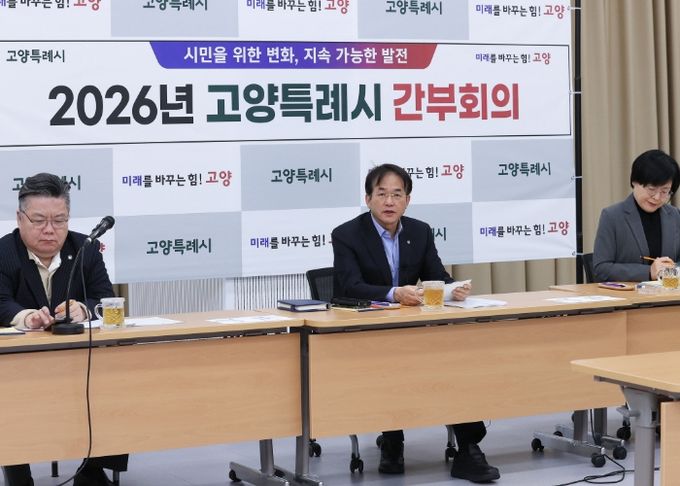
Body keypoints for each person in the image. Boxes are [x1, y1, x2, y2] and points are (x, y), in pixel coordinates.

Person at [331, 164, 500, 483]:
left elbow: (437, 275)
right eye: (382, 194)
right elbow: (349, 287)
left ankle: (468, 450)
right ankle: (392, 439)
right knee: (393, 364)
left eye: (397, 195)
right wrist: (394, 293)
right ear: (368, 199)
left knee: (456, 361)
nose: (389, 202)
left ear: (407, 200)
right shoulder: (347, 234)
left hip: (415, 329)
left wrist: (454, 288)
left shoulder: (419, 231)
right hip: (368, 332)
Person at [0, 173, 127, 486]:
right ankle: (18, 474)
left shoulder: (85, 248)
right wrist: (26, 317)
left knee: (116, 378)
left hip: (77, 360)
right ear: (20, 218)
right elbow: (1, 301)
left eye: (59, 220)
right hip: (19, 364)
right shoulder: (4, 252)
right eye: (39, 220)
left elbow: (104, 298)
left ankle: (93, 471)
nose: (49, 229)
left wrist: (84, 309)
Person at [593, 149, 680, 282]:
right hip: (630, 294)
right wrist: (648, 272)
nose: (657, 197)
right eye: (651, 189)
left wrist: (672, 270)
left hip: (668, 292)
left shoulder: (675, 216)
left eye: (665, 191)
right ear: (634, 182)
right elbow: (601, 269)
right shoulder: (612, 216)